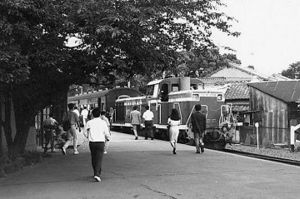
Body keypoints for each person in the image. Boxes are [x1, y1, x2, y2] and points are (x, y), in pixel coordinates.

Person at [84, 108, 111, 182]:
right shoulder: (103, 122)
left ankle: (96, 172)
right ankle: (97, 174)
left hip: (92, 143)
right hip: (100, 142)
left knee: (93, 157)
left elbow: (84, 131)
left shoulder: (89, 122)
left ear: (92, 114)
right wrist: (108, 138)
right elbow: (107, 132)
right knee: (99, 158)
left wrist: (87, 136)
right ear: (99, 114)